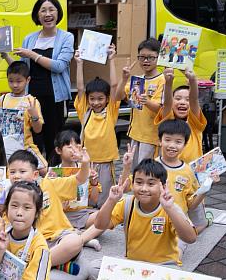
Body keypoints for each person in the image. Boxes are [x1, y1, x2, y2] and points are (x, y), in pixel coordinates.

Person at [84, 159, 197, 280]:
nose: (144, 188)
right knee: (94, 268)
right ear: (132, 184)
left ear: (163, 185)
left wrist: (170, 208)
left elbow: (190, 238)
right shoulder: (127, 204)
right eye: (139, 182)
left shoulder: (170, 207)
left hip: (163, 268)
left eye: (151, 184)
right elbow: (99, 224)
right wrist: (111, 200)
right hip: (133, 265)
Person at [0, 0, 74, 162]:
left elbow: (59, 66)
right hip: (31, 100)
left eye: (51, 9)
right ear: (37, 15)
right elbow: (22, 71)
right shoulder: (30, 38)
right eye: (43, 10)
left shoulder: (66, 37)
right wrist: (4, 55)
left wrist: (32, 54)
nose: (48, 14)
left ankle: (54, 177)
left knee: (55, 141)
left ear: (58, 13)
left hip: (55, 98)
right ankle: (35, 178)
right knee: (34, 140)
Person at [7, 150, 88, 274]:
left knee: (75, 242)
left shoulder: (48, 184)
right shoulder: (10, 195)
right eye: (12, 172)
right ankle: (55, 264)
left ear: (35, 174)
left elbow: (79, 179)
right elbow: (5, 227)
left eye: (22, 171)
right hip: (31, 243)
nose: (16, 176)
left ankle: (35, 266)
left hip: (58, 238)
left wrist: (85, 163)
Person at [73, 44, 119, 206]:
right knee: (84, 195)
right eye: (92, 98)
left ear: (107, 99)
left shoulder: (111, 111)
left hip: (105, 162)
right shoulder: (85, 111)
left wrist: (112, 59)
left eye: (100, 98)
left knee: (105, 197)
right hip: (86, 162)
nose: (96, 102)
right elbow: (80, 88)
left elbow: (114, 86)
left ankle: (103, 218)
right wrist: (79, 64)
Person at [0, 61, 47, 169]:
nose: (14, 85)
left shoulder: (32, 101)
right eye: (11, 81)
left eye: (19, 81)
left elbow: (38, 130)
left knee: (44, 170)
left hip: (25, 146)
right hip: (4, 147)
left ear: (27, 80)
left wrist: (34, 115)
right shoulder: (3, 99)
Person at [114, 38, 165, 164]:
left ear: (158, 58)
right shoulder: (137, 80)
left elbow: (161, 109)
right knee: (134, 172)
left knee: (147, 173)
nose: (146, 61)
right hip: (135, 134)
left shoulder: (162, 80)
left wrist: (146, 101)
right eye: (142, 57)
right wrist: (124, 78)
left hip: (151, 137)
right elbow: (118, 96)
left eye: (150, 57)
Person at [50, 130, 103, 251]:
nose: (73, 149)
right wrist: (60, 205)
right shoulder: (54, 173)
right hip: (61, 216)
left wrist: (94, 183)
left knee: (104, 219)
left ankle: (79, 238)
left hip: (82, 214)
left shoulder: (85, 170)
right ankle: (84, 237)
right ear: (58, 150)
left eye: (76, 146)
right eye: (69, 146)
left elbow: (94, 200)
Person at [156, 68, 205, 163]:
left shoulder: (195, 124)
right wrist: (168, 83)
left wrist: (193, 81)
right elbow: (167, 103)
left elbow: (194, 100)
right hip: (168, 172)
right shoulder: (167, 120)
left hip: (192, 174)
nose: (182, 102)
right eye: (178, 98)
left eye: (187, 99)